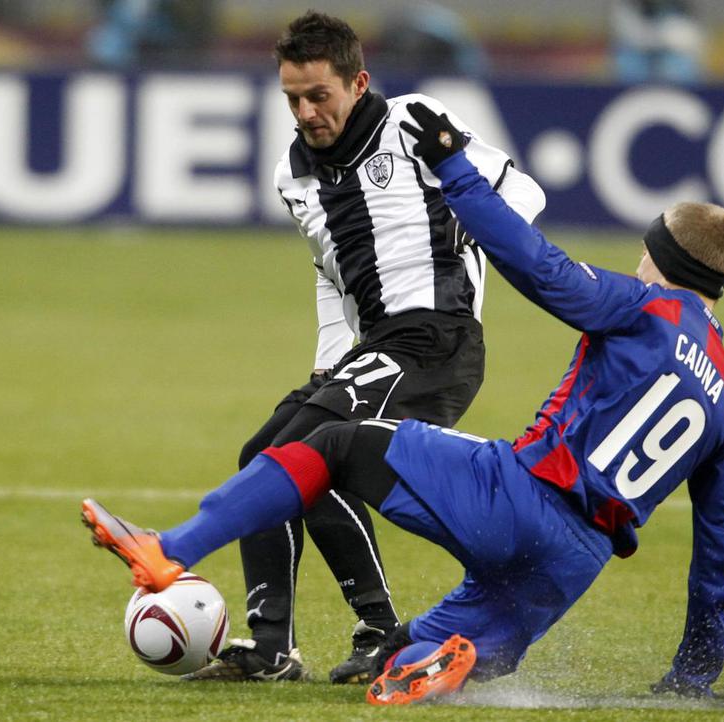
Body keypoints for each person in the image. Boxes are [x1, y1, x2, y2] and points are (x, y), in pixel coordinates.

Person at [82, 102, 724, 704]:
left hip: (519, 496)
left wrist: (454, 170)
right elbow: (718, 552)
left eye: (644, 251)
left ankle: (168, 547)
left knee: (334, 443)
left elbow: (540, 268)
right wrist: (693, 676)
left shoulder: (646, 306)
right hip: (576, 562)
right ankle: (432, 657)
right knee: (408, 654)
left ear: (660, 258)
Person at [170, 11, 544, 684]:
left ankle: (376, 632)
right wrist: (329, 358)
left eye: (318, 95)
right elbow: (331, 273)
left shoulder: (412, 122)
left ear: (357, 83)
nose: (305, 112)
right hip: (375, 348)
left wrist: (474, 232)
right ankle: (274, 649)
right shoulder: (294, 172)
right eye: (292, 98)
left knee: (303, 454)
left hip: (437, 341)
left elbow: (522, 190)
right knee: (263, 457)